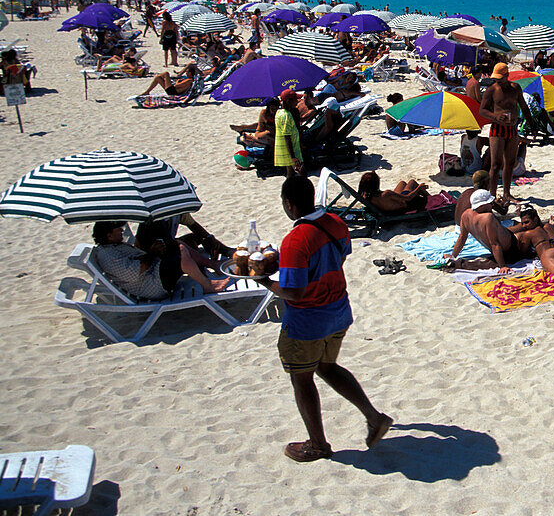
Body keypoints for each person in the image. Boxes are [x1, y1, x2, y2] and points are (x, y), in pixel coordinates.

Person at [255, 177, 392, 462]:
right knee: (327, 367)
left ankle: (318, 445)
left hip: (308, 321)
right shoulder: (336, 223)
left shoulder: (295, 239)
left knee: (302, 378)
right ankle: (373, 417)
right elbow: (337, 258)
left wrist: (264, 282)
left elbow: (294, 292)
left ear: (289, 204)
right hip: (338, 311)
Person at [90, 221, 230, 300]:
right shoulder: (108, 256)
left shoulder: (114, 247)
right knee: (181, 253)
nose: (121, 231)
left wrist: (153, 252)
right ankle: (207, 285)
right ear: (109, 236)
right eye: (118, 230)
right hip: (153, 285)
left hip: (153, 273)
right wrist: (152, 253)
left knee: (177, 245)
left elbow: (138, 261)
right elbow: (135, 272)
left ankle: (210, 267)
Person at [479, 63, 531, 203]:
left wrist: (532, 124)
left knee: (510, 162)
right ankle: (493, 194)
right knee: (495, 164)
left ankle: (507, 193)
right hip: (497, 129)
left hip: (512, 129)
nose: (498, 81)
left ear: (507, 75)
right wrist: (495, 116)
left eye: (500, 78)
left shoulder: (515, 88)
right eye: (496, 79)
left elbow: (524, 107)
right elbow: (482, 110)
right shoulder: (492, 90)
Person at [448, 189, 531, 268]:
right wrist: (502, 266)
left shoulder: (466, 215)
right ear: (483, 204)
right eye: (490, 203)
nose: (492, 205)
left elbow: (462, 238)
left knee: (520, 227)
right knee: (532, 232)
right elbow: (494, 244)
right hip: (512, 247)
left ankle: (527, 225)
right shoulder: (488, 217)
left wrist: (453, 256)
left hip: (505, 237)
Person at [356, 171, 429, 214]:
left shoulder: (366, 197)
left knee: (402, 183)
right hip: (404, 205)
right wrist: (419, 188)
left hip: (389, 207)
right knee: (412, 182)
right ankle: (432, 198)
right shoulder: (386, 194)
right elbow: (408, 198)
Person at [275, 88, 304, 178]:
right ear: (288, 101)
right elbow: (286, 136)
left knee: (290, 174)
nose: (297, 102)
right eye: (295, 100)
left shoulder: (279, 112)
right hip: (291, 151)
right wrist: (293, 157)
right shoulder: (286, 115)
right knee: (302, 172)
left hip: (287, 150)